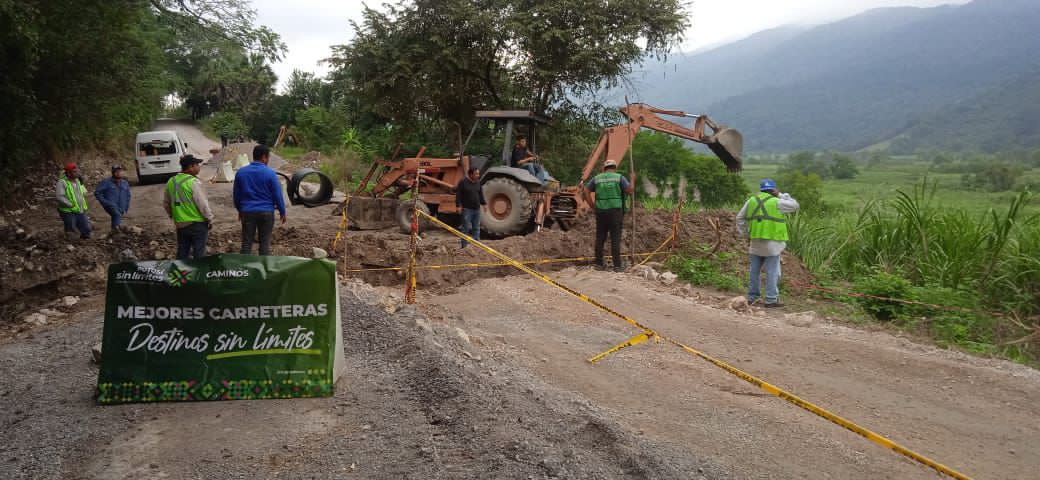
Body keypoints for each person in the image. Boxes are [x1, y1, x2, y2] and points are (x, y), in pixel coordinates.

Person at [735, 178, 800, 308]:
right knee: (772, 271)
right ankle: (770, 299)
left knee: (754, 270)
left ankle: (753, 297)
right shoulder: (777, 202)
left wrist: (746, 234)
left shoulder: (751, 201)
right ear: (773, 190)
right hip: (772, 244)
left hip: (755, 242)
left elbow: (739, 218)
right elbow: (795, 205)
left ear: (762, 189)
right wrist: (781, 194)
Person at [233, 144, 286, 255]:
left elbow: (237, 195)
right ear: (263, 157)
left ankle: (245, 271)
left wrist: (240, 210)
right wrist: (282, 211)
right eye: (268, 158)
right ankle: (264, 270)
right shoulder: (270, 173)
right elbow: (277, 195)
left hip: (247, 211)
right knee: (265, 244)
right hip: (266, 212)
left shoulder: (241, 173)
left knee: (247, 243)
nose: (268, 160)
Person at [583, 159, 634, 272]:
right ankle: (617, 266)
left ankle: (599, 264)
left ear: (604, 168)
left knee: (600, 237)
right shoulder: (619, 177)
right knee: (615, 238)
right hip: (615, 211)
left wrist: (592, 205)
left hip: (600, 211)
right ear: (614, 167)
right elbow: (630, 191)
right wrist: (632, 179)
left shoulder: (597, 178)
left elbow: (585, 190)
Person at [164, 155, 214, 259]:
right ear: (190, 167)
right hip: (197, 223)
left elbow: (166, 203)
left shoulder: (171, 181)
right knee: (199, 253)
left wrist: (173, 216)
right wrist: (209, 218)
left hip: (180, 224)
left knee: (182, 251)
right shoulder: (193, 182)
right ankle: (199, 273)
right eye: (197, 165)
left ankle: (179, 273)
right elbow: (202, 204)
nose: (199, 167)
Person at [55, 163, 91, 240]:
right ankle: (69, 245)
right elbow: (59, 196)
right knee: (70, 229)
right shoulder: (62, 182)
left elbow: (84, 192)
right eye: (75, 172)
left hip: (79, 209)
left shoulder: (78, 181)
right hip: (68, 211)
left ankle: (85, 242)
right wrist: (70, 204)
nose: (77, 173)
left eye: (77, 171)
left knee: (86, 229)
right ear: (68, 173)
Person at [94, 165, 131, 233]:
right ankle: (116, 232)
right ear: (113, 173)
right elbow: (97, 193)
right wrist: (105, 202)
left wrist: (126, 207)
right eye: (116, 171)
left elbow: (128, 196)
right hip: (110, 205)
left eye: (120, 171)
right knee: (116, 215)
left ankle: (113, 234)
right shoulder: (106, 182)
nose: (119, 173)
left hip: (121, 207)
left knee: (116, 218)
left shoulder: (125, 183)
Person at [455, 167, 486, 248]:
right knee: (466, 228)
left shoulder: (478, 182)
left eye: (478, 174)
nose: (478, 175)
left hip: (477, 209)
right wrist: (458, 206)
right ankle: (464, 246)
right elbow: (458, 195)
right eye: (476, 174)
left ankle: (476, 245)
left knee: (476, 228)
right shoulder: (463, 182)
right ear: (470, 174)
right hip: (467, 210)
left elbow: (480, 194)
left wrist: (484, 204)